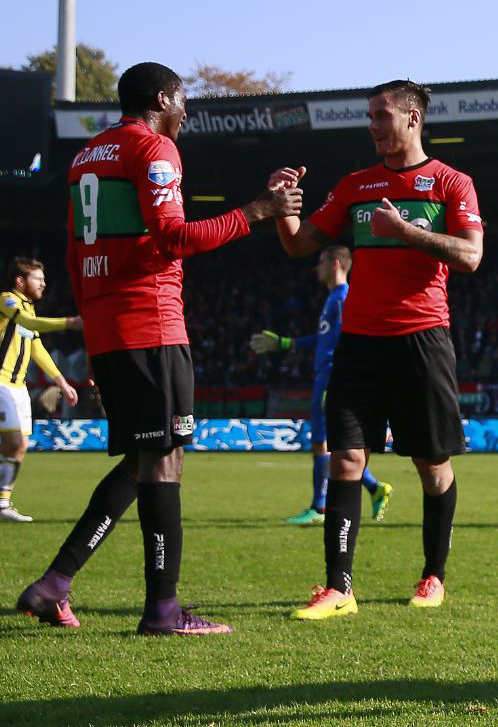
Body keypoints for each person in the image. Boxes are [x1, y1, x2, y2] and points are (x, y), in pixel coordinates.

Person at [16, 62, 300, 635]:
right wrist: (257, 212)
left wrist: (94, 337)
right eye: (184, 101)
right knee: (166, 455)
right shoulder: (154, 150)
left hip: (110, 325)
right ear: (163, 98)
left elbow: (73, 253)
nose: (187, 112)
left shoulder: (85, 156)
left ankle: (52, 586)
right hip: (150, 323)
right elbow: (172, 238)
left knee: (144, 458)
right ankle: (163, 611)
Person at [270, 79, 483, 618]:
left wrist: (406, 231)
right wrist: (281, 207)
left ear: (413, 118)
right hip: (360, 343)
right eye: (369, 117)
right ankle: (338, 588)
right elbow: (299, 244)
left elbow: (471, 256)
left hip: (422, 339)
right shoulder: (356, 186)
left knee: (432, 467)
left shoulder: (451, 184)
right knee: (345, 459)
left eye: (381, 116)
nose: (372, 126)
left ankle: (433, 576)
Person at [249, 245, 393, 524]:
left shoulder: (342, 299)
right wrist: (286, 343)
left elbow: (348, 340)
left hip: (331, 378)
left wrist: (341, 379)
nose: (317, 268)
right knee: (326, 443)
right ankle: (375, 488)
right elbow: (324, 339)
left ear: (335, 263)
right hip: (324, 376)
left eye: (321, 262)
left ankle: (320, 507)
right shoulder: (333, 299)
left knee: (324, 443)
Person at [0, 258, 83, 521]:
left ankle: (3, 504)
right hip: (1, 382)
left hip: (19, 386)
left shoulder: (31, 309)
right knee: (13, 441)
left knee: (21, 444)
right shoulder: (7, 300)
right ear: (19, 281)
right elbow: (28, 322)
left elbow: (37, 348)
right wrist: (69, 322)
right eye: (38, 279)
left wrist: (62, 381)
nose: (44, 284)